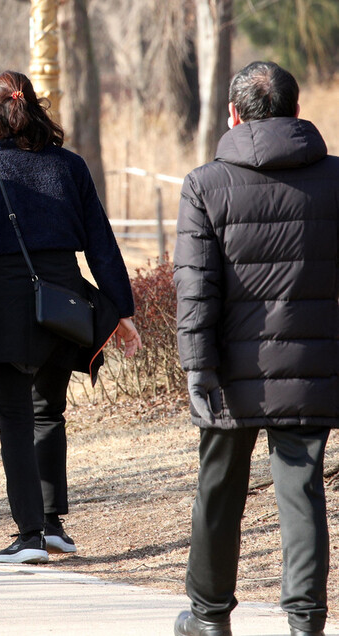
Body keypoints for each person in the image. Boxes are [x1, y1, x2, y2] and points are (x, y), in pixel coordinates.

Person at [173, 61, 338, 636]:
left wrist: (197, 365)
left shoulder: (205, 184)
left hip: (227, 370)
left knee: (218, 491)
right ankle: (305, 623)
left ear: (234, 115)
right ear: (297, 110)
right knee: (301, 490)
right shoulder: (335, 179)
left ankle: (209, 618)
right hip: (311, 362)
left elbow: (195, 286)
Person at [0, 71, 140, 565]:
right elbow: (100, 241)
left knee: (14, 418)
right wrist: (123, 311)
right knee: (47, 411)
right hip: (65, 297)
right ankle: (53, 523)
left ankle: (30, 534)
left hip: (7, 299)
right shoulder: (71, 165)